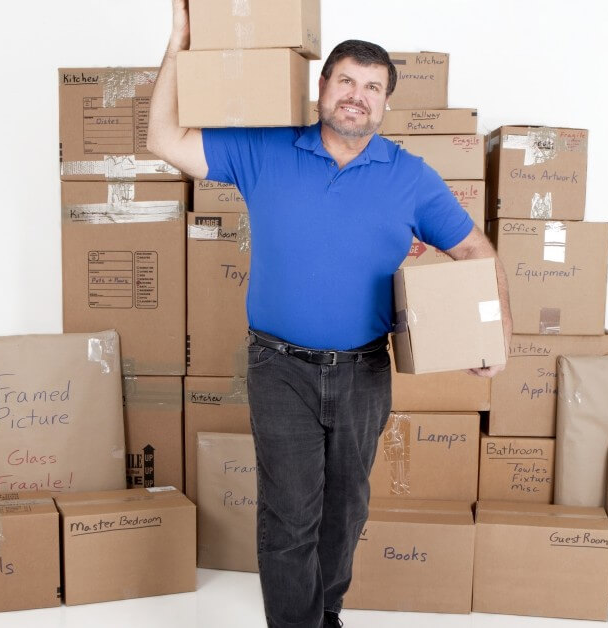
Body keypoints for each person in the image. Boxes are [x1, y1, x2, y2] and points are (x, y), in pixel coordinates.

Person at [148, 2, 512, 626]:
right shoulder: (264, 151)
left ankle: (327, 613)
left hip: (364, 372)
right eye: (346, 80)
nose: (357, 97)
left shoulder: (411, 177)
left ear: (385, 104)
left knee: (346, 510)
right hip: (279, 366)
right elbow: (163, 140)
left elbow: (475, 248)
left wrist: (495, 335)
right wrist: (180, 41)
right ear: (321, 87)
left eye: (372, 88)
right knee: (290, 512)